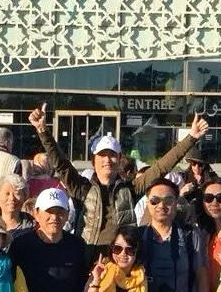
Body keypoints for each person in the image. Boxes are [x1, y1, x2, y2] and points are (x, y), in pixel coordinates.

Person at [28, 102, 210, 249]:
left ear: (119, 158)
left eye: (112, 155)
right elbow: (60, 163)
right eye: (102, 155)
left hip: (121, 256)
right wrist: (43, 131)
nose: (107, 160)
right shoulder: (82, 187)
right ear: (94, 160)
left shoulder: (131, 188)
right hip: (87, 255)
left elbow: (161, 167)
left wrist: (191, 137)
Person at [0, 172, 36, 239]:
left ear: (25, 197)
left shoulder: (34, 226)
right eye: (7, 194)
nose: (12, 198)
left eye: (17, 193)